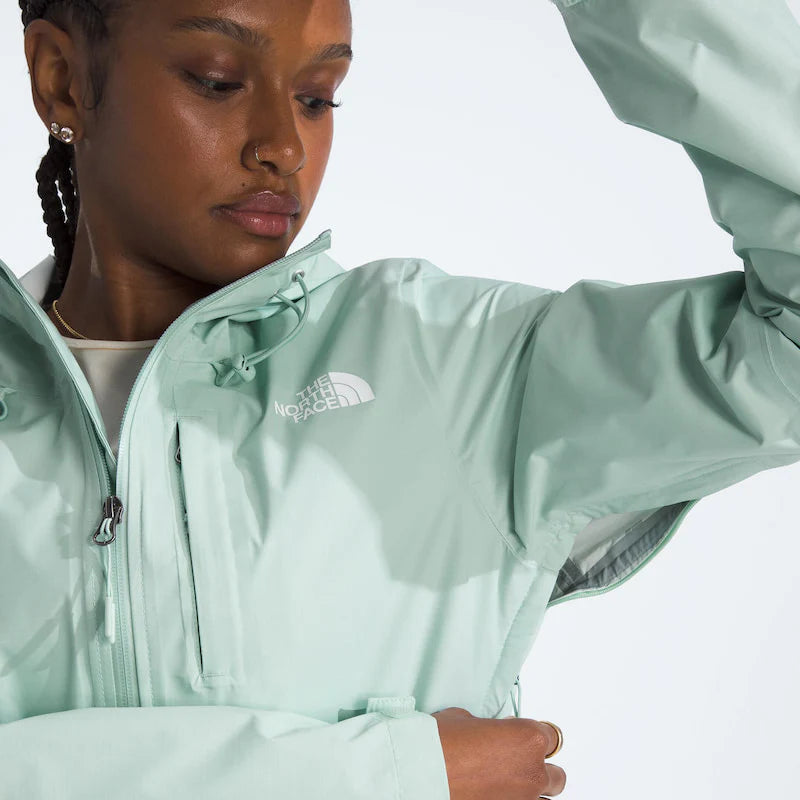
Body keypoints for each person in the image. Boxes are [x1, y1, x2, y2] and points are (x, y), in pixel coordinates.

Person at [1, 0, 798, 797]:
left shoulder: (456, 363)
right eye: (217, 81)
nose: (283, 145)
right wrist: (391, 773)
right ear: (62, 80)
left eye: (317, 96)